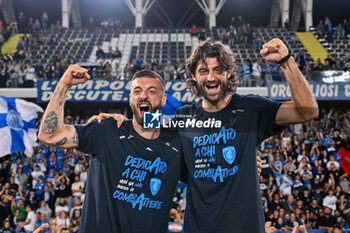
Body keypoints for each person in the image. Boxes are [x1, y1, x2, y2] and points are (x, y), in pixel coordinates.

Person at [91, 38, 318, 232]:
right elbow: (141, 123)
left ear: (228, 73)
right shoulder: (182, 117)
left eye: (218, 69)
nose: (211, 77)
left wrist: (286, 61)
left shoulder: (251, 110)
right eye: (204, 71)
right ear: (193, 75)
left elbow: (308, 110)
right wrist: (121, 121)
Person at [38, 67, 184, 232]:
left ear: (163, 99)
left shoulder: (177, 144)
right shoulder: (107, 130)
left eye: (152, 91)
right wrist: (64, 85)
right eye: (137, 91)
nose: (143, 95)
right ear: (130, 99)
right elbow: (48, 135)